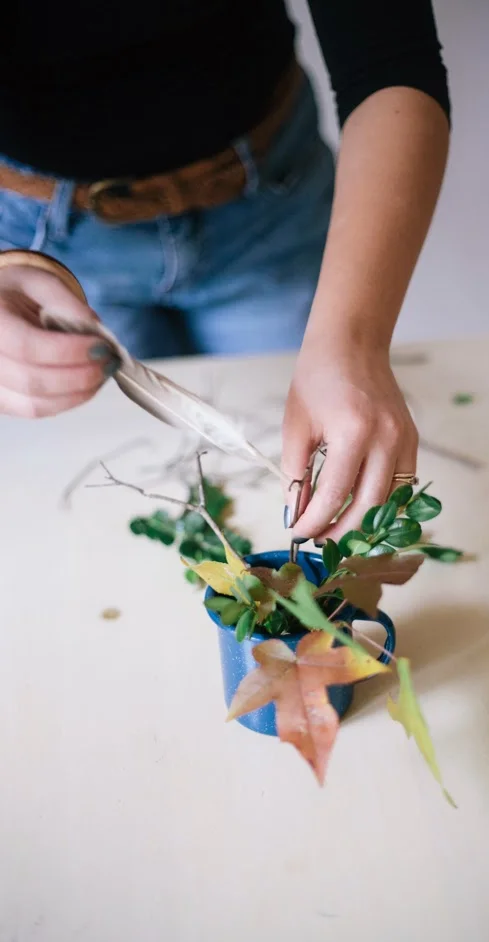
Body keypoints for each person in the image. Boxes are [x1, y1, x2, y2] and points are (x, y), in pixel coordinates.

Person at [0, 0, 450, 541]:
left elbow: (391, 58)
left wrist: (353, 342)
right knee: (116, 475)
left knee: (306, 448)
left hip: (270, 206)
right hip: (37, 237)